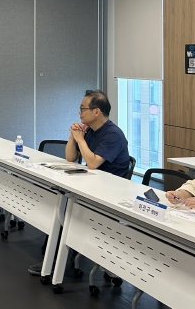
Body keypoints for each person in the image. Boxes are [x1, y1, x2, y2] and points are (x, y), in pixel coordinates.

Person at [29, 89, 129, 275]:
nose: (79, 112)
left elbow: (92, 163)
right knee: (60, 208)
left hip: (109, 193)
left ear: (96, 111)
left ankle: (52, 259)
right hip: (91, 186)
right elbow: (70, 158)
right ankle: (53, 256)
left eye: (83, 108)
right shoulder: (90, 130)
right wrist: (72, 136)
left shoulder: (113, 134)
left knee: (64, 210)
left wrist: (80, 139)